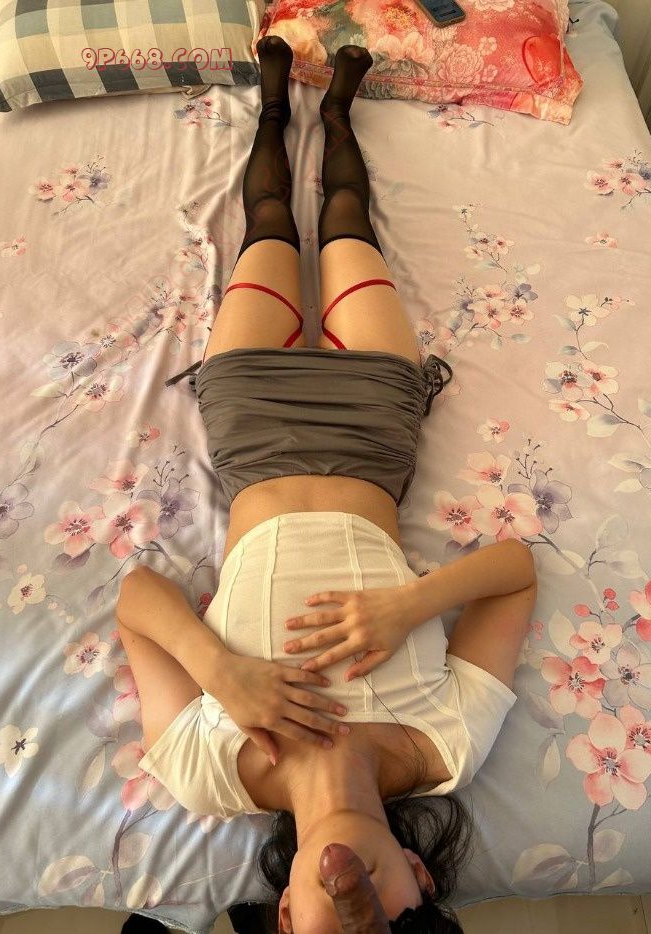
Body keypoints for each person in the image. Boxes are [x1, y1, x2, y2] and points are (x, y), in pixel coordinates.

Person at [114, 35, 538, 932]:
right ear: (420, 878)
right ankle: (338, 113)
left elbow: (136, 597)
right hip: (371, 431)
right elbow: (514, 571)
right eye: (382, 919)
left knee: (270, 226)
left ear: (283, 916)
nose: (352, 905)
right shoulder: (445, 748)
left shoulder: (206, 772)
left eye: (325, 929)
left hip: (254, 429)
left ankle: (275, 109)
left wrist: (220, 670)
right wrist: (409, 605)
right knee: (346, 223)